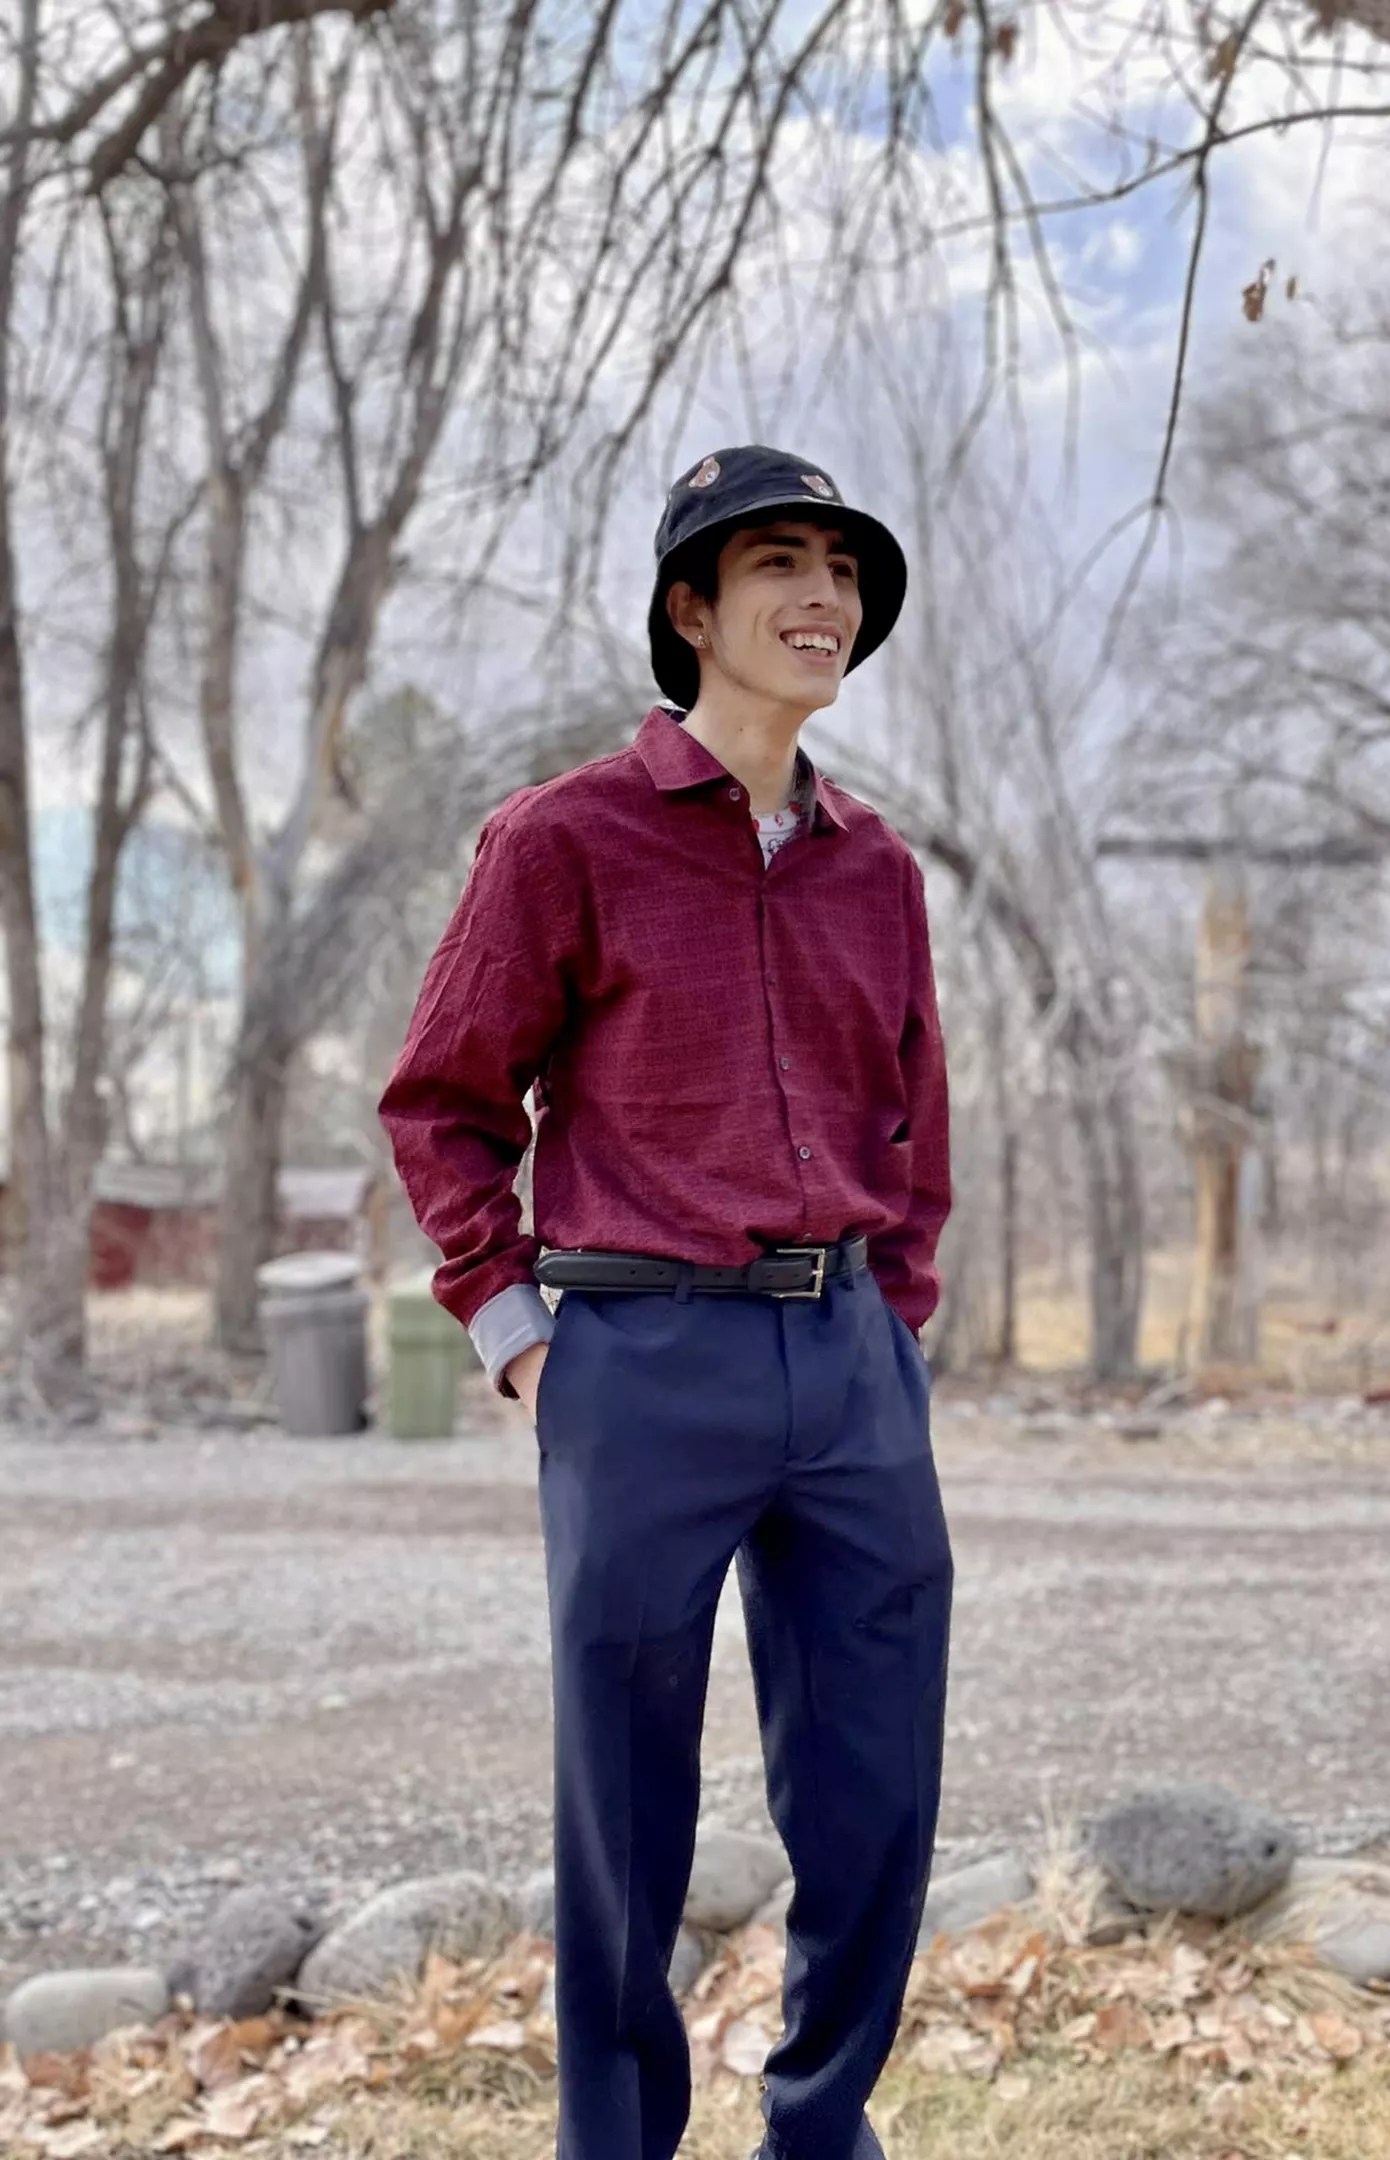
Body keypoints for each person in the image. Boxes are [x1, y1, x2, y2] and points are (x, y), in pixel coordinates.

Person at [379, 444, 954, 2160]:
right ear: (691, 609)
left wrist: (894, 1325)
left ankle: (819, 2131)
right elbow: (442, 1104)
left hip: (848, 1363)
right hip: (637, 1361)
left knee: (875, 1796)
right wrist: (521, 1342)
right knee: (625, 1814)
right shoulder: (563, 837)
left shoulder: (878, 869)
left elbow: (911, 1121)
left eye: (842, 570)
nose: (822, 597)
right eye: (780, 563)